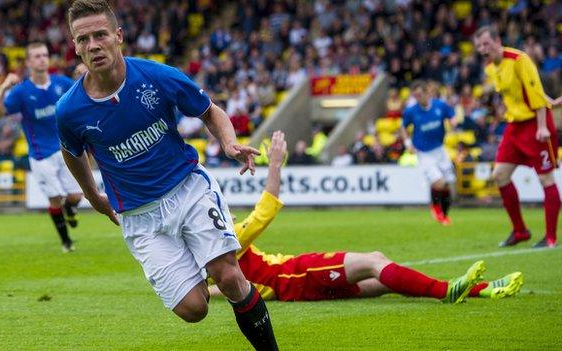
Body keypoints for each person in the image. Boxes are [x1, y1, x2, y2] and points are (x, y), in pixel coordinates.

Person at [56, 1, 278, 350]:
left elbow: (209, 111)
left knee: (231, 277)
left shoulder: (156, 77)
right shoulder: (69, 110)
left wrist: (229, 142)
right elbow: (72, 153)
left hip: (188, 190)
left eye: (100, 35)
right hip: (139, 216)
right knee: (194, 310)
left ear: (119, 37)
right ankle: (198, 261)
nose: (93, 45)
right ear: (75, 46)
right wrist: (92, 195)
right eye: (83, 39)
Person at [209, 131, 523, 303]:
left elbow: (214, 285)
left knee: (381, 280)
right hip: (296, 275)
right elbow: (265, 211)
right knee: (375, 259)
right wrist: (275, 164)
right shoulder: (223, 240)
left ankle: (481, 290)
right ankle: (447, 292)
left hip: (293, 285)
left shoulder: (208, 257)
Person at [474, 25, 562, 248]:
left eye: (486, 44)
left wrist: (542, 126)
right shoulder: (490, 68)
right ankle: (520, 231)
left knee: (546, 179)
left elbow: (533, 91)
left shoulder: (519, 59)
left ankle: (550, 238)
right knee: (499, 175)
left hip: (536, 124)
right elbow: (515, 95)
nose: (483, 49)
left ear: (497, 40)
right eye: (479, 46)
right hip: (514, 126)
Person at [0, 42, 82, 253]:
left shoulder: (61, 83)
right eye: (37, 56)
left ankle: (70, 210)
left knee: (76, 196)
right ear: (29, 62)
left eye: (45, 55)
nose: (42, 59)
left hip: (65, 149)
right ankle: (66, 242)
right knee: (55, 198)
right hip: (41, 154)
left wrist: (84, 75)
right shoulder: (22, 91)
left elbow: (86, 93)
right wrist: (4, 87)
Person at [400, 80, 459, 225]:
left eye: (420, 95)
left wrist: (453, 121)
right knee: (440, 183)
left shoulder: (440, 105)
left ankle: (444, 215)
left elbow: (452, 116)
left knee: (448, 184)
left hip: (440, 149)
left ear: (427, 93)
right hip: (424, 153)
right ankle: (435, 207)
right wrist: (408, 143)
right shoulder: (411, 111)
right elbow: (402, 128)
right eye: (415, 96)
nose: (418, 98)